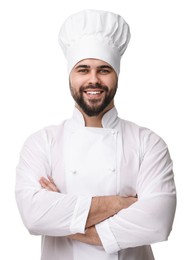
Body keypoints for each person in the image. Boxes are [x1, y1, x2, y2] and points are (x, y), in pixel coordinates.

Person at [15, 9, 176, 260]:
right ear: (70, 75)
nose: (93, 80)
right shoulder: (42, 143)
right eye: (83, 69)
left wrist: (63, 217)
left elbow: (158, 221)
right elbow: (34, 216)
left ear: (116, 75)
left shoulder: (148, 143)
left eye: (103, 70)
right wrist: (120, 204)